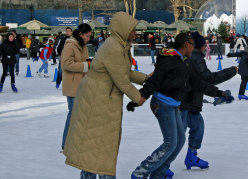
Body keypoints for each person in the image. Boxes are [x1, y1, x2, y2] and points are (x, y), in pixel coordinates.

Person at [64, 12, 149, 179]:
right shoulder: (114, 48)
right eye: (132, 30)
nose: (135, 34)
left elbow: (126, 72)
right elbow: (122, 81)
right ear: (123, 30)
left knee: (95, 146)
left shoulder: (121, 45)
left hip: (103, 98)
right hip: (97, 99)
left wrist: (146, 78)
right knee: (100, 147)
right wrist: (138, 98)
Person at [131, 33, 219, 179]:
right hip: (162, 104)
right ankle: (140, 172)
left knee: (179, 140)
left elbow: (196, 82)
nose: (194, 47)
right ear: (186, 45)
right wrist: (142, 96)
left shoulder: (183, 61)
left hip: (173, 105)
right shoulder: (169, 60)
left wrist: (219, 93)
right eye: (192, 44)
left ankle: (158, 174)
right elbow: (154, 80)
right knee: (170, 142)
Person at [180, 31, 237, 170]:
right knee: (176, 138)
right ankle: (163, 165)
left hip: (190, 101)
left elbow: (200, 82)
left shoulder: (192, 56)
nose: (206, 47)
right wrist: (232, 71)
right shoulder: (196, 57)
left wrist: (218, 93)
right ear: (198, 46)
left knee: (198, 127)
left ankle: (191, 156)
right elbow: (208, 78)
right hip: (185, 102)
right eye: (204, 45)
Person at [60, 24, 91, 151]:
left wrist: (89, 64)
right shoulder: (70, 45)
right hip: (73, 86)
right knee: (73, 115)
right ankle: (66, 144)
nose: (89, 38)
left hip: (82, 85)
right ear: (80, 34)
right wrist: (85, 65)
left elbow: (86, 62)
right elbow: (66, 64)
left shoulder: (82, 46)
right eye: (87, 36)